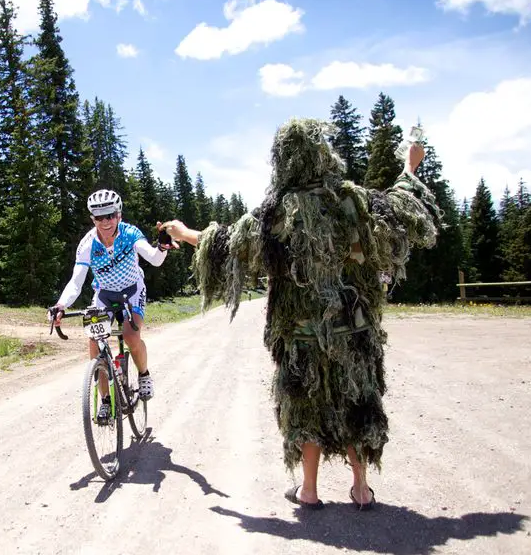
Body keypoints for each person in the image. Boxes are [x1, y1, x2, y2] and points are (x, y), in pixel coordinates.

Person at [159, 117, 440, 511]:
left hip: (301, 336)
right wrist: (411, 166)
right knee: (357, 401)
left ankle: (309, 490)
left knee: (305, 405)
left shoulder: (276, 212)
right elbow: (400, 212)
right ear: (323, 155)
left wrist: (184, 233)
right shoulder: (352, 201)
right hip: (353, 329)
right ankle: (361, 489)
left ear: (284, 160)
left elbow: (227, 244)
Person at [50, 188, 176, 421]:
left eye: (110, 215)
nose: (106, 221)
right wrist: (60, 305)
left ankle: (144, 374)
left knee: (130, 336)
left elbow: (155, 259)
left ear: (119, 215)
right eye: (100, 217)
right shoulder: (87, 244)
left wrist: (163, 246)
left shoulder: (130, 233)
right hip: (105, 294)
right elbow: (76, 282)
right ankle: (106, 400)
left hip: (132, 291)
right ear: (93, 219)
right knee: (94, 340)